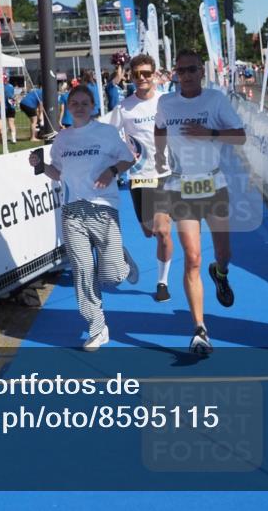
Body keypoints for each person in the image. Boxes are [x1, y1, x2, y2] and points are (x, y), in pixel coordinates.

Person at [29, 85, 138, 351]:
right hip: (72, 211)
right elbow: (58, 173)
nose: (79, 106)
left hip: (103, 207)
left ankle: (121, 259)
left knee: (112, 276)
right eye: (74, 102)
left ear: (93, 106)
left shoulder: (106, 133)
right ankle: (97, 328)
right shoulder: (62, 139)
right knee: (83, 271)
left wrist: (111, 171)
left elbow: (128, 159)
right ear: (68, 107)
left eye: (84, 102)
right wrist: (40, 166)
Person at [154, 50, 246, 356]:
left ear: (201, 71)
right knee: (191, 257)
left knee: (224, 253)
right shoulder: (166, 103)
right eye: (181, 71)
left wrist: (211, 133)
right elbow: (158, 128)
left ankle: (219, 272)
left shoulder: (216, 100)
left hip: (214, 184)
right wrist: (158, 153)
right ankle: (199, 329)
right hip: (181, 186)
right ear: (175, 74)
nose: (187, 75)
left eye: (192, 69)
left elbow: (240, 137)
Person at [109, 54, 174, 302]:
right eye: (138, 74)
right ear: (131, 76)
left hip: (167, 174)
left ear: (155, 75)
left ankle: (162, 283)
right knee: (149, 231)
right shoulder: (124, 108)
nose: (143, 78)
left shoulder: (167, 102)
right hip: (140, 178)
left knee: (163, 231)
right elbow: (103, 131)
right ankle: (123, 256)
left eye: (147, 73)